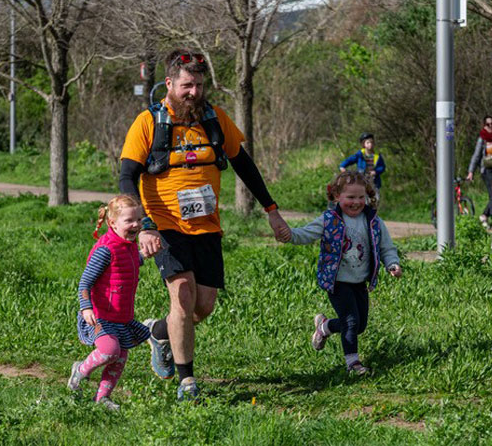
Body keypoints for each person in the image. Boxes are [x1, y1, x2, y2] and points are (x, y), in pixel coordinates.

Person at [119, 48, 290, 401]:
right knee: (182, 295)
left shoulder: (214, 119)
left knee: (203, 306)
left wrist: (271, 209)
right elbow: (126, 177)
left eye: (198, 85)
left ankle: (159, 332)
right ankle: (188, 383)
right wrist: (144, 226)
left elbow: (244, 165)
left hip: (207, 227)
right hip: (165, 224)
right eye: (186, 85)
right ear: (169, 84)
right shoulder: (148, 122)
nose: (193, 92)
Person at [285, 171, 402, 375]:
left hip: (359, 281)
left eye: (360, 197)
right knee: (350, 321)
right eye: (350, 197)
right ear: (337, 196)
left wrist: (392, 264)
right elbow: (306, 233)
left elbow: (386, 247)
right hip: (337, 281)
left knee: (360, 325)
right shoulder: (329, 219)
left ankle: (325, 327)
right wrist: (288, 235)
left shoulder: (373, 221)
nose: (356, 202)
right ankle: (353, 363)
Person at [67, 195, 150, 411]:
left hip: (121, 317)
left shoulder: (128, 246)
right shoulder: (105, 249)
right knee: (110, 350)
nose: (136, 225)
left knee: (120, 358)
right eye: (129, 221)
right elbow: (85, 282)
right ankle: (80, 370)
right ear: (112, 223)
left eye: (139, 220)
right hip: (100, 315)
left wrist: (144, 254)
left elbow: (126, 264)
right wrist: (86, 307)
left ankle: (102, 398)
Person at [339, 132, 386, 202]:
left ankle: (373, 211)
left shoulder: (377, 156)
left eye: (372, 142)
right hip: (362, 181)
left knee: (375, 199)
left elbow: (382, 167)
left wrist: (376, 172)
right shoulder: (360, 155)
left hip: (374, 182)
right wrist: (342, 166)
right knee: (363, 199)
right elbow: (350, 160)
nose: (370, 144)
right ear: (364, 144)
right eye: (368, 143)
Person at [466, 115, 492, 229]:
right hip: (486, 170)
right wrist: (471, 171)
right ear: (484, 125)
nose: (490, 126)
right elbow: (476, 156)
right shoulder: (483, 138)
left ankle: (485, 216)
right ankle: (485, 215)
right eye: (488, 124)